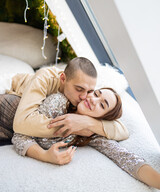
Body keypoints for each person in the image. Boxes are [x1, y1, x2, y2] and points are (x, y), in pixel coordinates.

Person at [12, 89, 160, 190]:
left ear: (103, 119)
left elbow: (126, 159)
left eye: (102, 104)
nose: (93, 99)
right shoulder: (58, 102)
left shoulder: (91, 135)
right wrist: (45, 156)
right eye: (96, 93)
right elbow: (19, 134)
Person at [0, 57, 128, 142]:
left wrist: (86, 123)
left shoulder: (89, 94)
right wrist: (73, 128)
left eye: (90, 91)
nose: (85, 97)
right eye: (79, 89)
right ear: (62, 79)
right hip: (5, 87)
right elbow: (22, 123)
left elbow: (123, 131)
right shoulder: (44, 78)